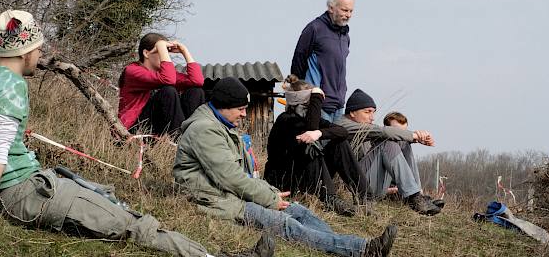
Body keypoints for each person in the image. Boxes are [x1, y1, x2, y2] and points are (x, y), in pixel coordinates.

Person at [0, 10, 273, 257]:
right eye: (38, 47)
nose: (41, 52)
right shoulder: (12, 85)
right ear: (26, 50)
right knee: (131, 224)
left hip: (26, 183)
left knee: (106, 196)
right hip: (23, 191)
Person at [174, 77, 397, 257]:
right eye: (241, 108)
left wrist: (268, 192)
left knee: (300, 211)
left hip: (234, 194)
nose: (244, 114)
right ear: (224, 105)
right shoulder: (205, 130)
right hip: (215, 199)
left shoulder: (222, 125)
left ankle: (339, 245)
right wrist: (270, 197)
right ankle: (362, 249)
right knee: (285, 223)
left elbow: (239, 177)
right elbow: (230, 178)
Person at [264, 75, 370, 217]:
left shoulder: (309, 121)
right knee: (309, 146)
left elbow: (343, 132)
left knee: (339, 142)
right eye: (312, 105)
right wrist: (316, 98)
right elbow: (310, 129)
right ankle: (329, 198)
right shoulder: (285, 120)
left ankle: (363, 196)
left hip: (307, 175)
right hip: (284, 180)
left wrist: (319, 133)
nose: (314, 109)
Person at [335, 90, 443, 216]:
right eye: (367, 112)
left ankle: (417, 196)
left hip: (370, 182)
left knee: (402, 142)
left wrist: (416, 140)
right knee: (389, 143)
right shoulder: (344, 125)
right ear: (352, 113)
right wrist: (414, 135)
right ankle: (413, 197)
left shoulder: (363, 125)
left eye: (373, 112)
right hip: (354, 187)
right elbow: (384, 132)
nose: (372, 117)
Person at [118, 33, 205, 138]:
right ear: (146, 53)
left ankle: (193, 137)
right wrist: (160, 46)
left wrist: (184, 51)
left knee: (195, 91)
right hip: (135, 128)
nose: (165, 57)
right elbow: (168, 80)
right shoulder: (132, 71)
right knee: (168, 91)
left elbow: (197, 81)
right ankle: (178, 139)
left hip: (159, 125)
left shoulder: (164, 74)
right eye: (161, 51)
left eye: (166, 52)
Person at [291, 0, 354, 122]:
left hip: (338, 104)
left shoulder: (345, 35)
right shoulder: (314, 29)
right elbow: (298, 61)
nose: (348, 15)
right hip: (317, 101)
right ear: (331, 8)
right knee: (319, 141)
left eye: (351, 11)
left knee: (335, 141)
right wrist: (303, 92)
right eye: (344, 10)